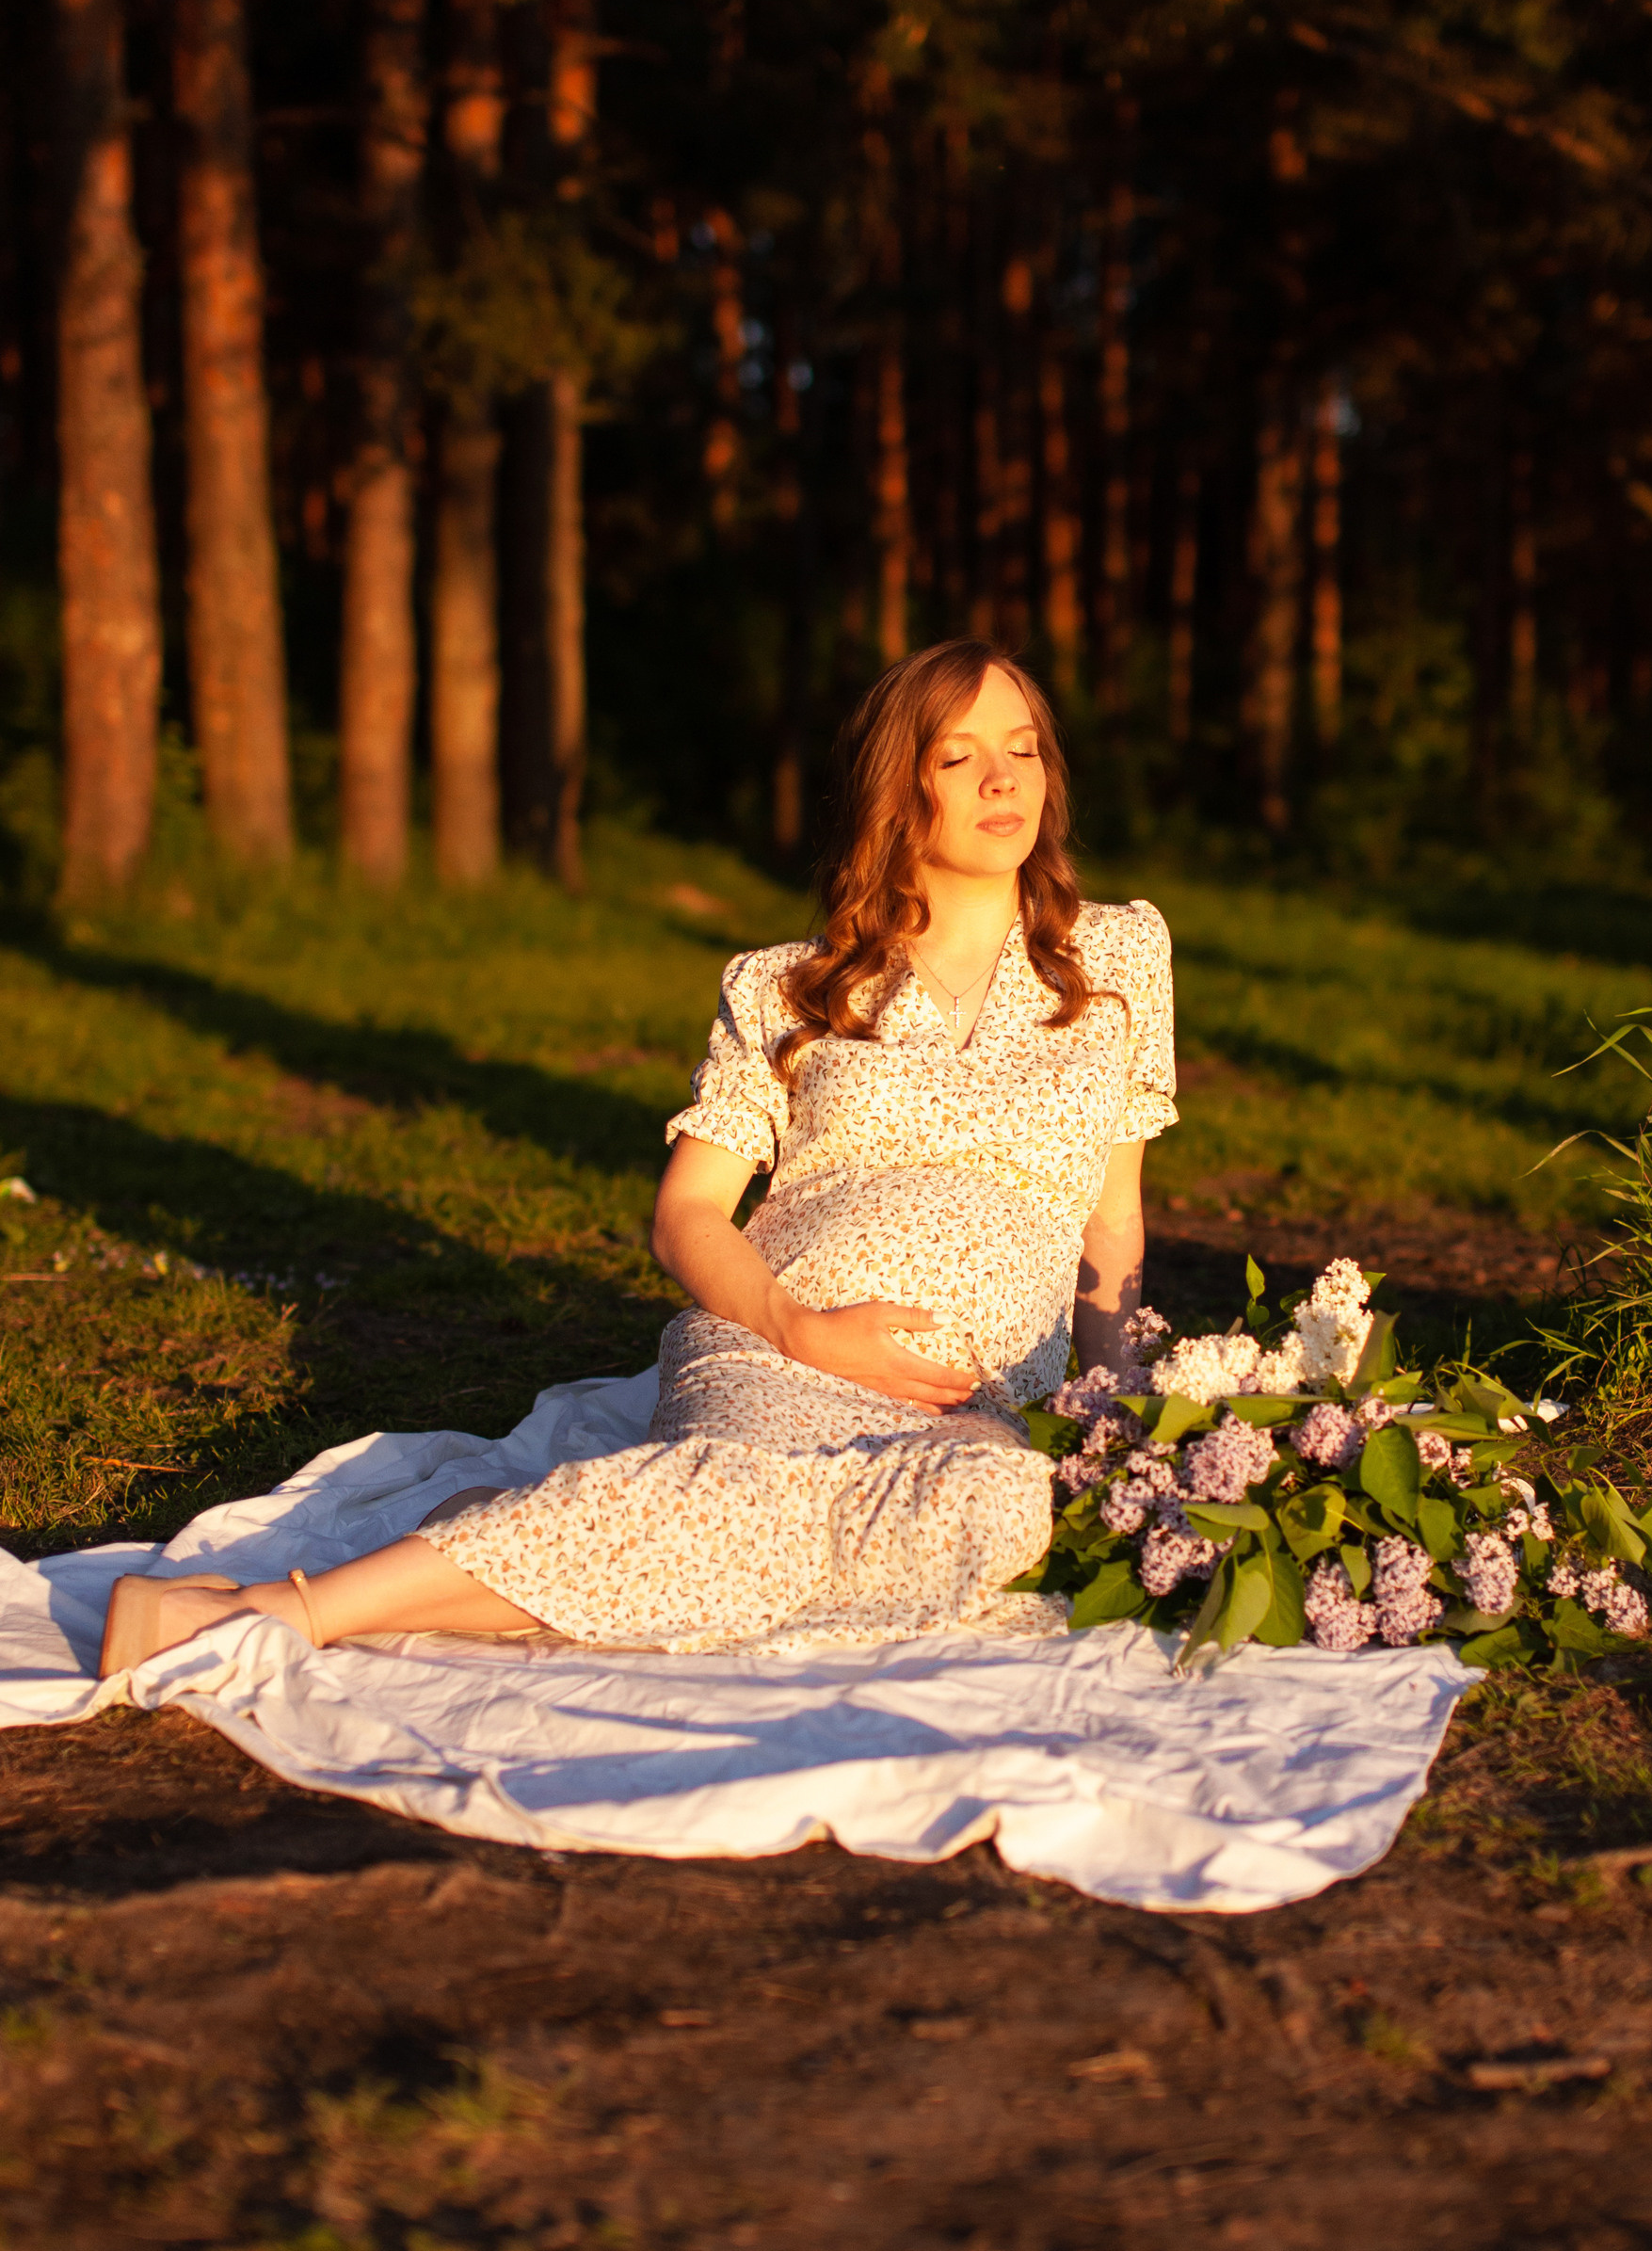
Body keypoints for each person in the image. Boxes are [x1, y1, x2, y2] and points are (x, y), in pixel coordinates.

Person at [100, 640, 1176, 1674]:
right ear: (902, 789)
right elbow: (688, 1215)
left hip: (971, 1401)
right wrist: (801, 1329)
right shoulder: (789, 986)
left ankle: (535, 1544)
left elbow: (1111, 1219)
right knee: (743, 1498)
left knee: (998, 1512)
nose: (1002, 778)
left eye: (1022, 747)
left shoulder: (1121, 955)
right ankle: (268, 1611)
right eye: (958, 756)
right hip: (780, 1349)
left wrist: (1117, 1420)